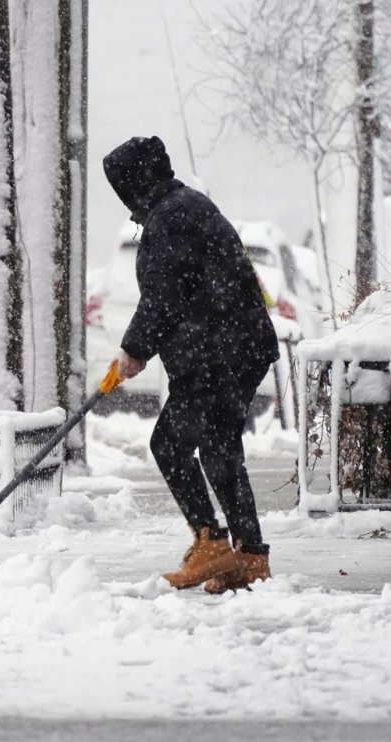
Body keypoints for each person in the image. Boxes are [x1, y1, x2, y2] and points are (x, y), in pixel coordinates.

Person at [103, 136, 280, 593]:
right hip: (227, 349)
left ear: (136, 181)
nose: (123, 199)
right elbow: (175, 294)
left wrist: (135, 350)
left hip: (220, 352)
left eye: (122, 187)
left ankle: (213, 543)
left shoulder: (174, 215)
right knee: (220, 449)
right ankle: (249, 556)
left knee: (170, 444)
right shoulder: (179, 208)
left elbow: (165, 296)